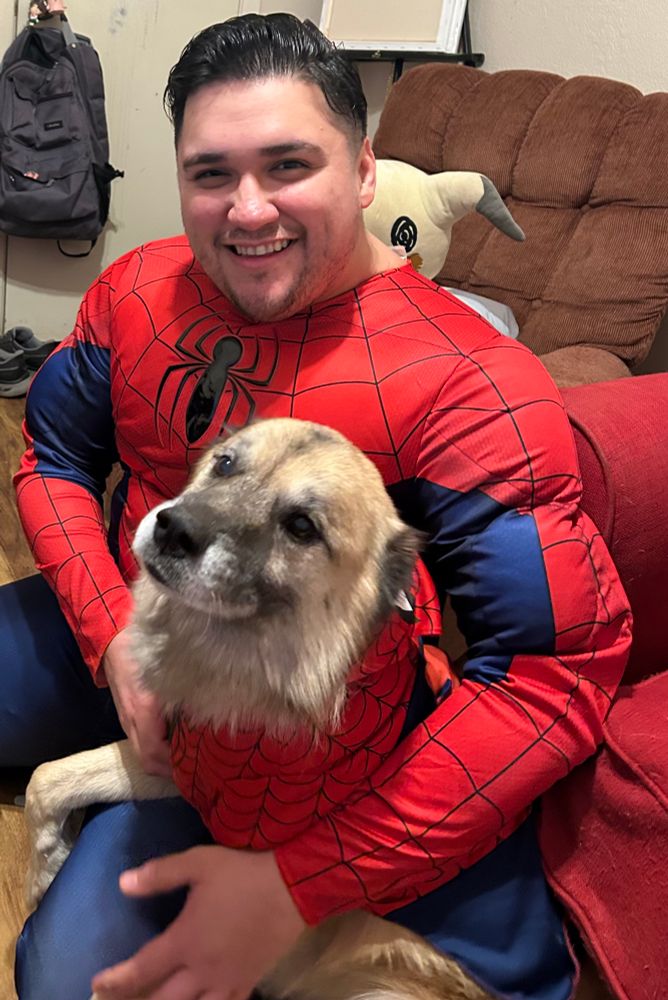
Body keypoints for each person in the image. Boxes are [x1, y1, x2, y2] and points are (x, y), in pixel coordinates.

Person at [2, 13, 631, 1000]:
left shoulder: (473, 383)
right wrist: (110, 637)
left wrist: (299, 884)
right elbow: (52, 460)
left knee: (75, 975)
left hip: (308, 722)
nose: (246, 210)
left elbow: (548, 677)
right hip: (140, 617)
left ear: (366, 169)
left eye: (288, 165)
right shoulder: (129, 290)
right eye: (211, 173)